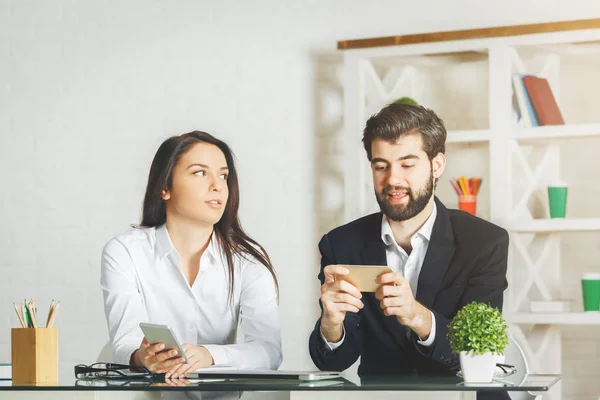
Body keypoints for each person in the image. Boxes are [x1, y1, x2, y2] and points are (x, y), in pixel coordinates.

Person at [308, 104, 509, 391]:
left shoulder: (485, 242)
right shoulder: (341, 244)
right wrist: (331, 323)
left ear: (436, 165)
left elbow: (480, 352)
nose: (393, 179)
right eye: (381, 166)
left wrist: (417, 316)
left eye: (407, 164)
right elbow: (332, 363)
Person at [101, 131, 282, 380]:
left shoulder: (248, 258)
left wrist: (210, 355)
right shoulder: (125, 252)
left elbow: (269, 352)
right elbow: (125, 340)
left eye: (223, 175)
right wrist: (142, 357)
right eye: (200, 172)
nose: (217, 185)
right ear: (164, 188)